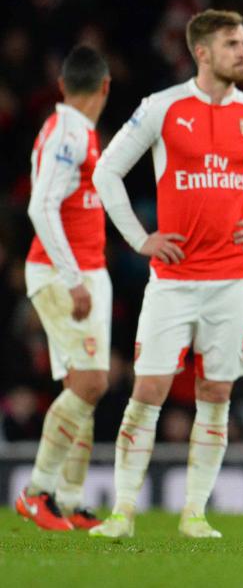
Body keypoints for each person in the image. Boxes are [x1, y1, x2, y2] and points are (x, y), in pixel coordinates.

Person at [88, 9, 243, 538]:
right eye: (233, 44)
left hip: (234, 279)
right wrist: (141, 239)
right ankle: (122, 512)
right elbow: (106, 171)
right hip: (174, 279)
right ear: (202, 53)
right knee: (150, 390)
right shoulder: (162, 108)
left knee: (217, 393)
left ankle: (195, 513)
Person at [14, 45, 113, 532]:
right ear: (105, 87)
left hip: (85, 269)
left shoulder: (77, 130)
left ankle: (71, 500)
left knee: (82, 389)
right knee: (93, 383)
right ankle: (37, 492)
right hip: (64, 274)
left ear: (62, 85)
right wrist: (74, 280)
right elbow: (41, 207)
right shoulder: (69, 132)